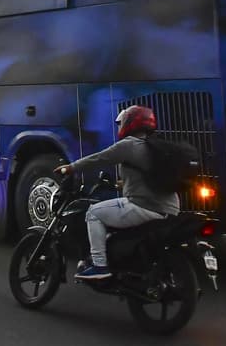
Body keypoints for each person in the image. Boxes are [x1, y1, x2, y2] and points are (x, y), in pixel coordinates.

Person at [53, 105, 179, 280]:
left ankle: (99, 265)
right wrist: (120, 185)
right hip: (170, 209)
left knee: (93, 213)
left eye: (122, 122)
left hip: (144, 206)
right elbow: (148, 179)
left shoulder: (128, 145)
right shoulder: (156, 146)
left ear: (130, 123)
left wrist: (71, 168)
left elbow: (99, 158)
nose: (120, 126)